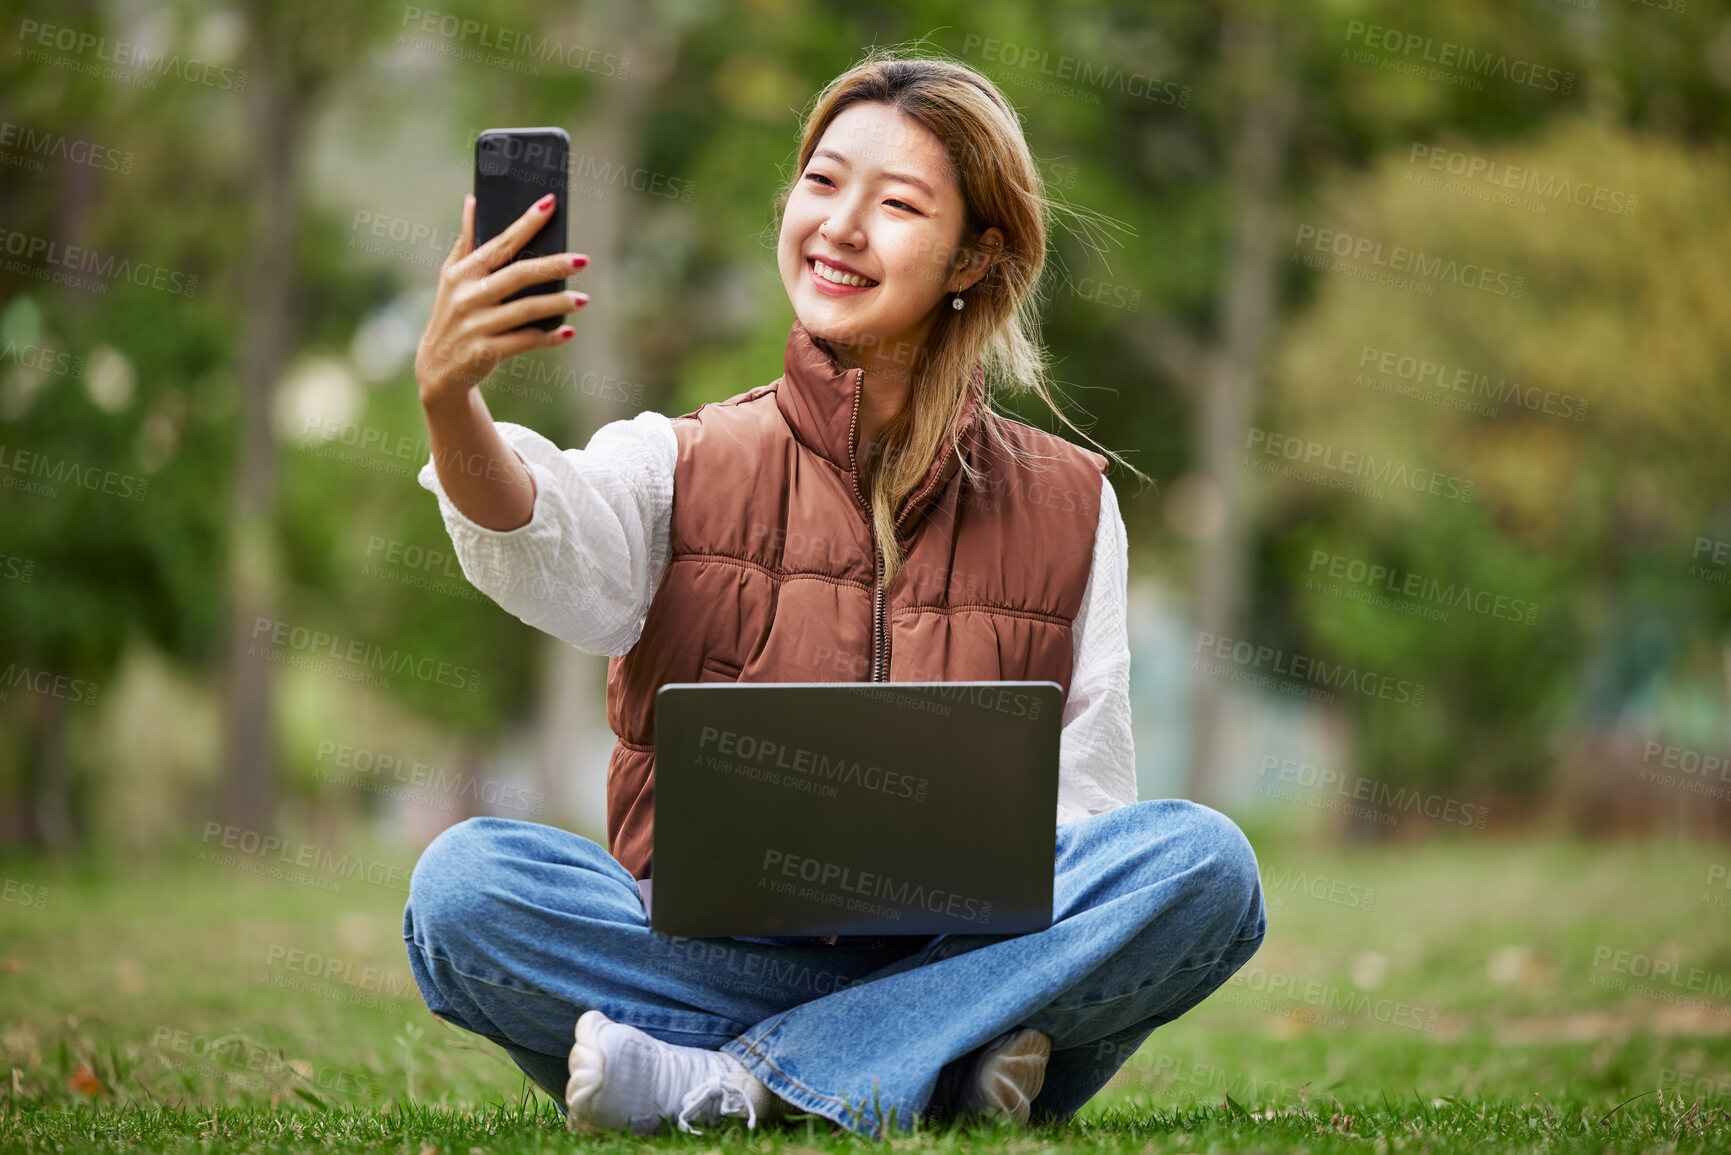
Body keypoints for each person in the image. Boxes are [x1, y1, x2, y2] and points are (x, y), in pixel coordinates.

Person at [403, 50, 1265, 1140]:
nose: (840, 226)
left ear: (974, 256)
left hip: (964, 959)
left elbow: (1086, 809)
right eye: (821, 181)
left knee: (1201, 867)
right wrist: (451, 402)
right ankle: (935, 1072)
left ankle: (732, 1085)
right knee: (466, 888)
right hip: (709, 957)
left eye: (898, 203)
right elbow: (542, 530)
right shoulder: (684, 460)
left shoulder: (1071, 505)